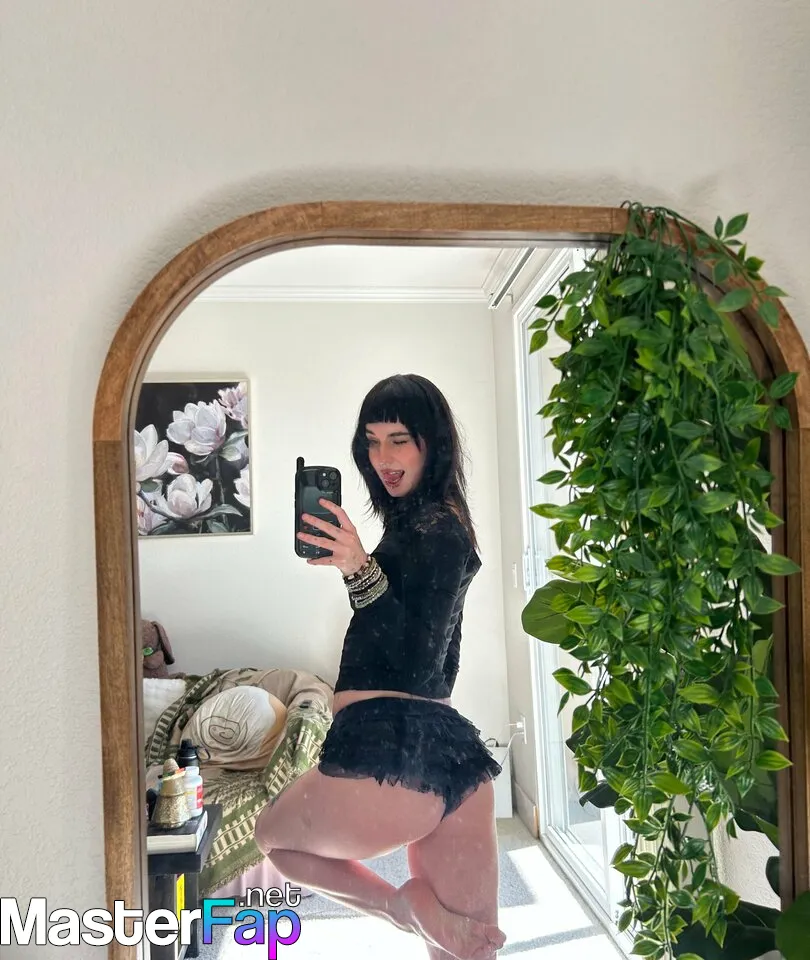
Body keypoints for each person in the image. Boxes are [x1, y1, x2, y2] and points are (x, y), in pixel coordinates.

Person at [254, 374, 505, 960]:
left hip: (390, 744)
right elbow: (430, 649)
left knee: (274, 838)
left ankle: (399, 908)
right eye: (371, 441)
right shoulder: (428, 522)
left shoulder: (437, 527)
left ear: (432, 444)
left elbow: (416, 662)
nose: (382, 458)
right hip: (449, 758)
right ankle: (416, 914)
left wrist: (359, 569)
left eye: (399, 440)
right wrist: (362, 569)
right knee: (469, 951)